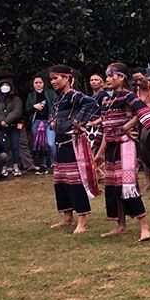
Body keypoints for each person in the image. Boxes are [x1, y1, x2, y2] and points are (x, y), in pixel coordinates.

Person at [94, 62, 150, 242]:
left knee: (129, 186)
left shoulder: (128, 96)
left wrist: (128, 126)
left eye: (111, 76)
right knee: (114, 188)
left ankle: (144, 227)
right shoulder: (107, 100)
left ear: (121, 77)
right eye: (106, 76)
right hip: (110, 148)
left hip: (125, 147)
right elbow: (105, 129)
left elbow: (147, 114)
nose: (107, 79)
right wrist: (100, 153)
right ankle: (120, 225)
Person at [47, 65, 99, 233]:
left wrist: (78, 121)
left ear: (67, 78)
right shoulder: (58, 98)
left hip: (72, 141)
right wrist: (52, 120)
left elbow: (91, 103)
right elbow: (55, 114)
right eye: (52, 79)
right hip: (59, 141)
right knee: (60, 181)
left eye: (56, 78)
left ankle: (82, 220)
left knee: (75, 180)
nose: (53, 81)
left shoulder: (74, 95)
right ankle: (67, 216)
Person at [25, 75, 58, 174]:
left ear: (44, 83)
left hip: (49, 121)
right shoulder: (31, 95)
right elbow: (27, 110)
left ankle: (54, 162)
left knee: (50, 143)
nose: (38, 84)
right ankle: (42, 164)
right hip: (36, 122)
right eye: (36, 82)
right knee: (40, 144)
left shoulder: (51, 93)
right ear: (33, 84)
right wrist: (34, 106)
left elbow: (57, 106)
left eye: (40, 82)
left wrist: (54, 119)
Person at [0, 77, 23, 177]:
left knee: (15, 146)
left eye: (7, 85)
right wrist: (1, 121)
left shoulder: (16, 99)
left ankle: (15, 167)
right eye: (3, 85)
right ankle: (4, 167)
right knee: (3, 147)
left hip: (14, 126)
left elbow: (17, 112)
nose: (5, 87)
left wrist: (6, 121)